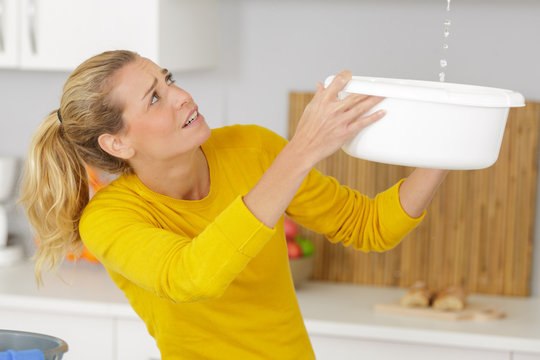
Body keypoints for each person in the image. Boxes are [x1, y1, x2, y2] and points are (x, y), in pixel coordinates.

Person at [20, 50, 448, 359]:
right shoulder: (110, 218)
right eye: (154, 97)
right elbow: (192, 277)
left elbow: (369, 225)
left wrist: (451, 147)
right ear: (118, 142)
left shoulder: (252, 149)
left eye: (167, 80)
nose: (181, 95)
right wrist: (301, 152)